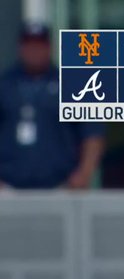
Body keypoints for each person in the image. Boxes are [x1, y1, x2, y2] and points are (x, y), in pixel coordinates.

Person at [0, 22, 105, 190]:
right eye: (30, 45)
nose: (34, 51)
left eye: (40, 45)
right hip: (9, 187)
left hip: (59, 186)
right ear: (21, 47)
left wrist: (84, 174)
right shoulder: (5, 84)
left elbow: (92, 134)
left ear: (50, 47)